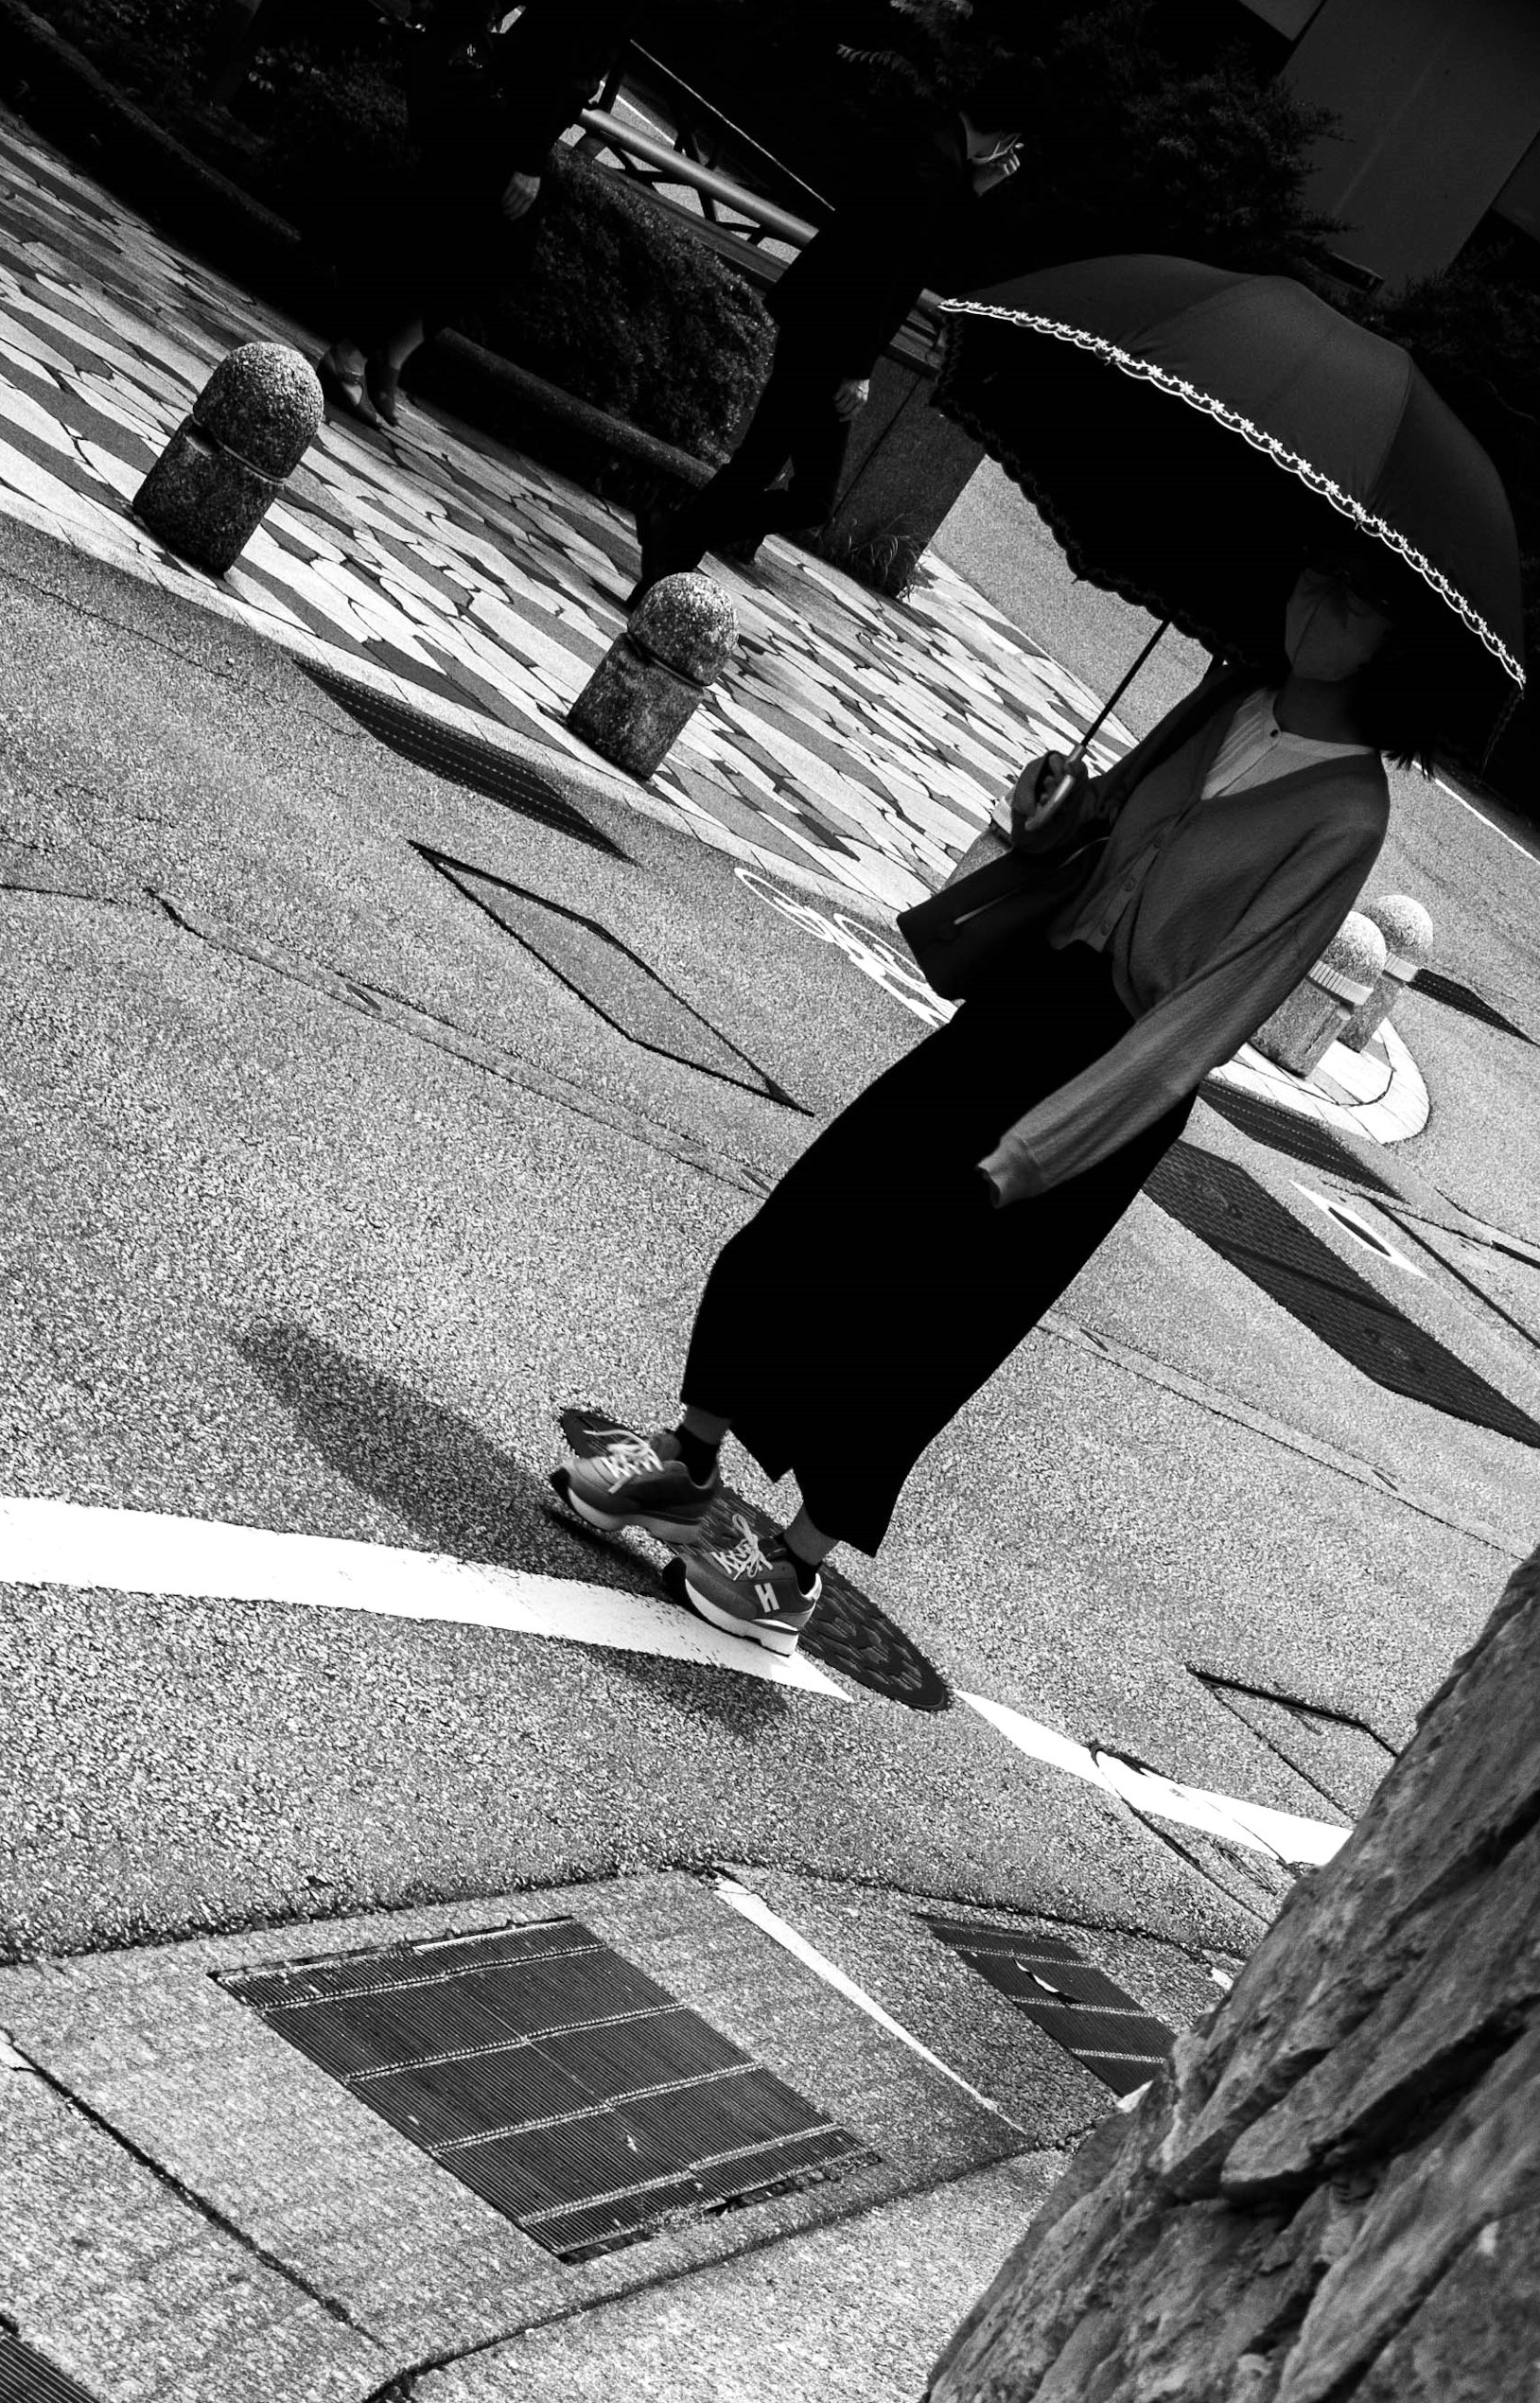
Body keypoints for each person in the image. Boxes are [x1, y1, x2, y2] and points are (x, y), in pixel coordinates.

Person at [548, 558, 1404, 1641]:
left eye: (1362, 603)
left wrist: (1038, 1153)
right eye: (1324, 578)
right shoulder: (1228, 695)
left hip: (1110, 1082)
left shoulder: (1348, 813)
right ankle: (689, 1455)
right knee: (824, 1207)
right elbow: (1098, 845)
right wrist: (1051, 819)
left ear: (1398, 653)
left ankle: (798, 1566)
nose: (1319, 601)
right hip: (1026, 1005)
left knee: (932, 1316)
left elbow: (1209, 1018)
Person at [645, 0, 1020, 580]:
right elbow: (886, 269)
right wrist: (858, 367)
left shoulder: (932, 144)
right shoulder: (934, 164)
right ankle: (677, 535)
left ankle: (676, 537)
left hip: (819, 319)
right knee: (794, 485)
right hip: (832, 335)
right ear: (1005, 138)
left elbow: (908, 244)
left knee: (775, 470)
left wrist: (973, 192)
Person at [323, 0, 723, 442]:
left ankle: (387, 353)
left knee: (483, 247)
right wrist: (529, 158)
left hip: (514, 119)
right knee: (457, 242)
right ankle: (357, 353)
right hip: (511, 123)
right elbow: (554, 57)